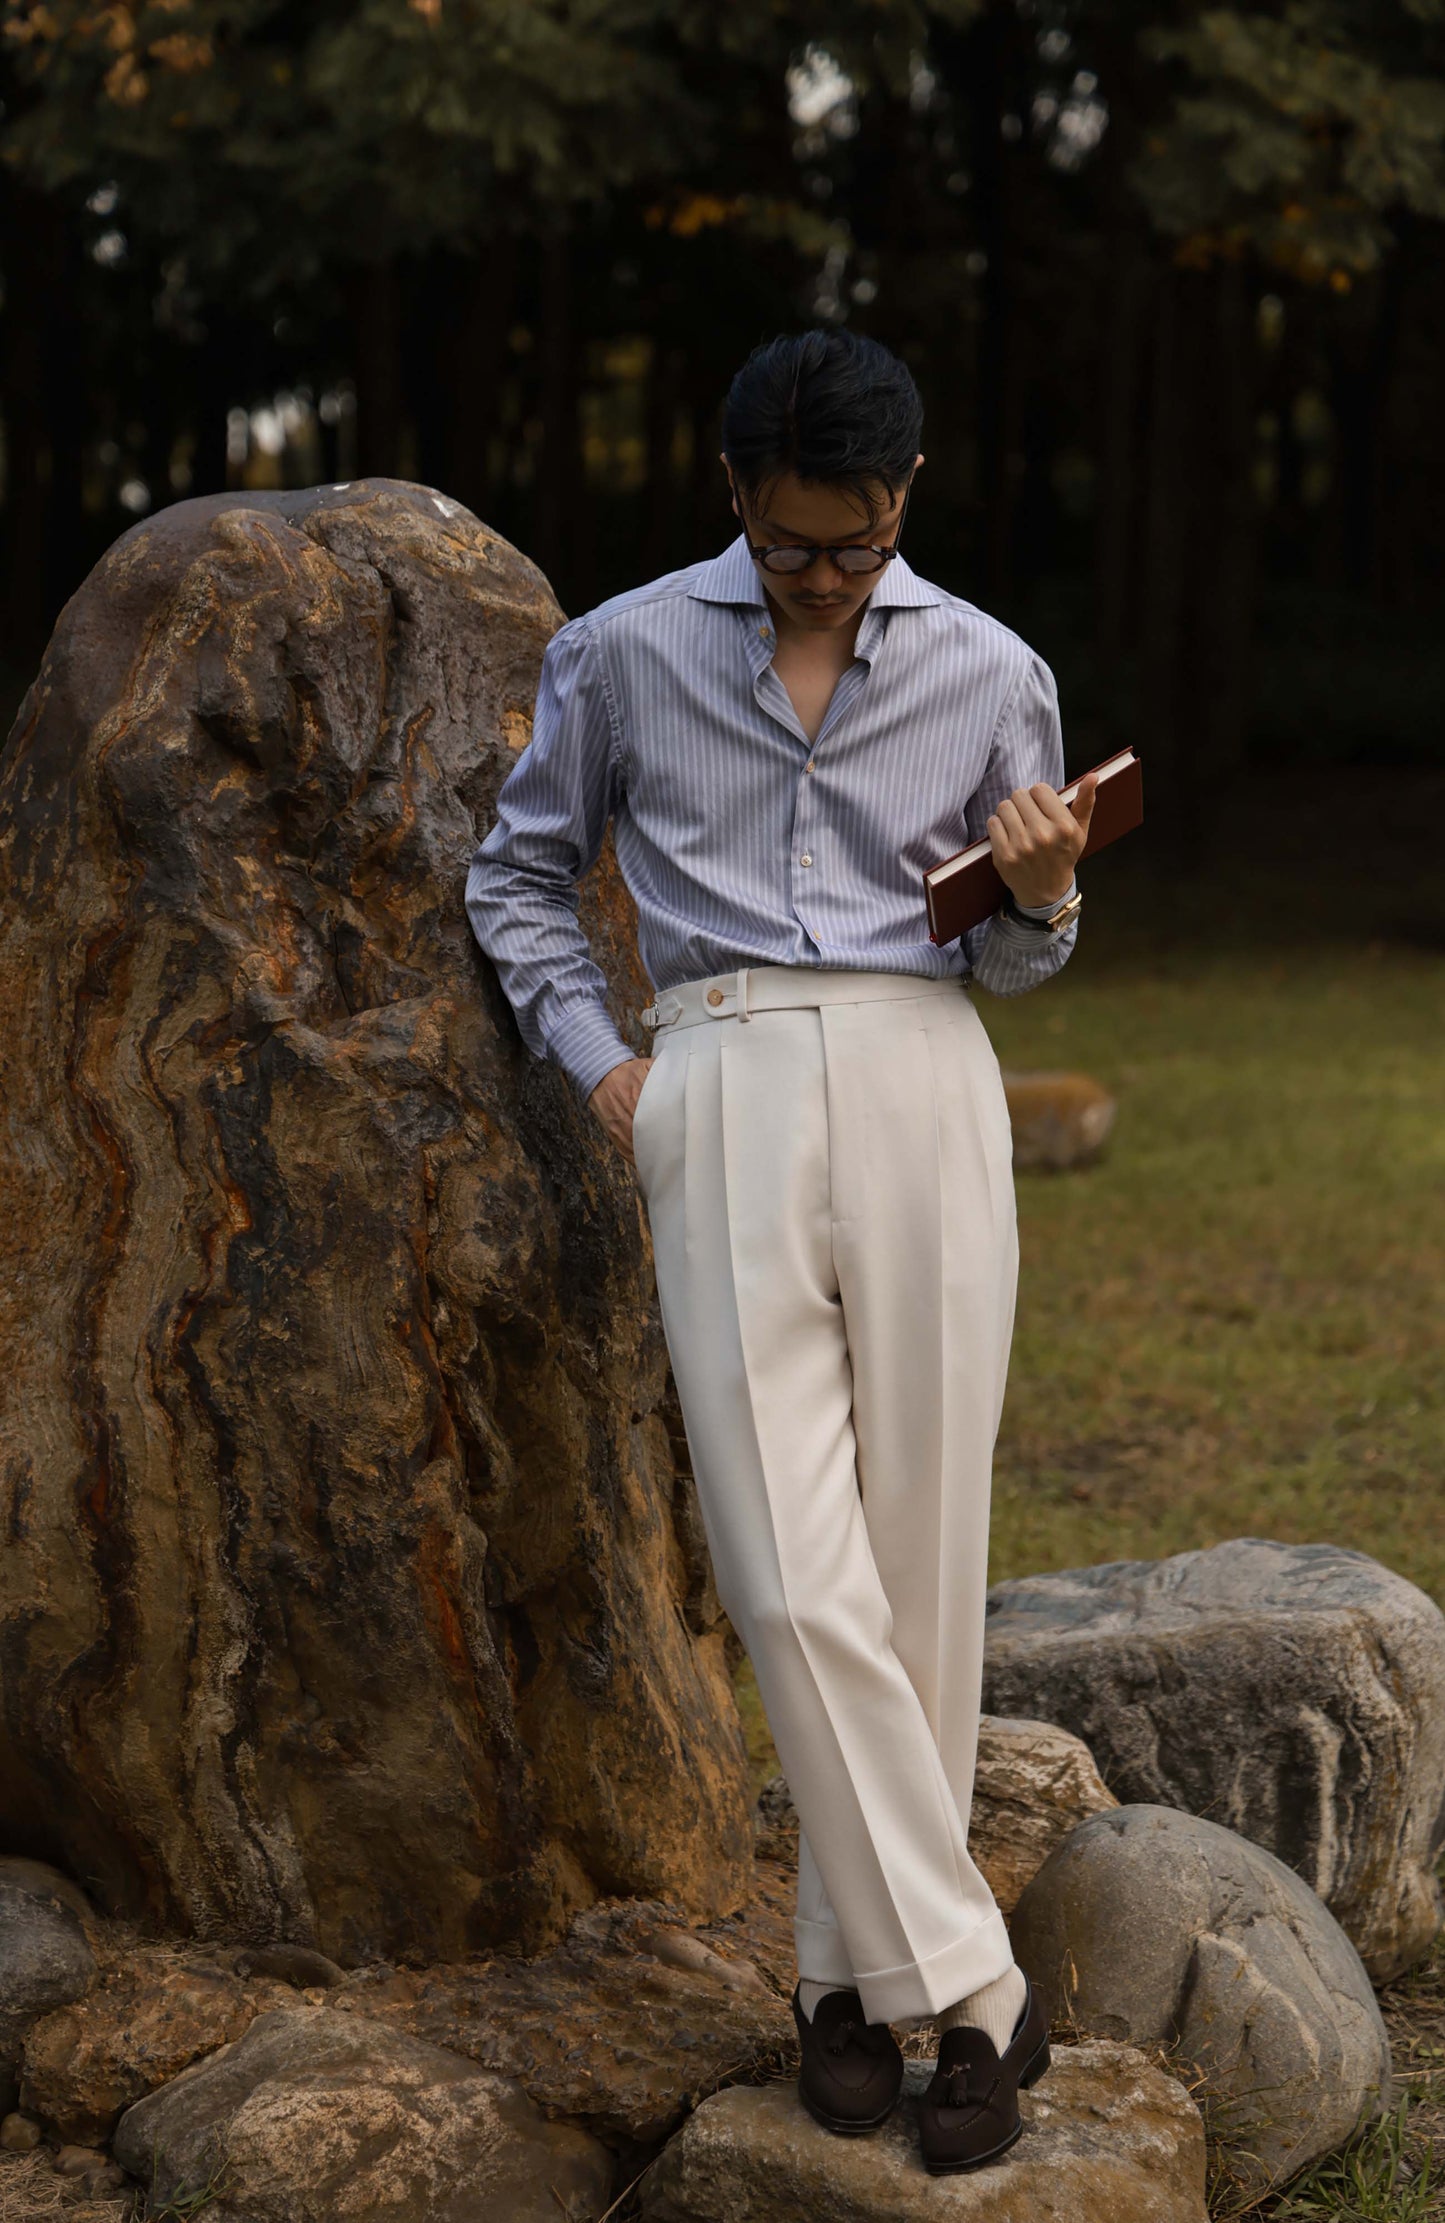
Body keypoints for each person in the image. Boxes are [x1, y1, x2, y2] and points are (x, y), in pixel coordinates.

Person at [464, 327, 1096, 2176]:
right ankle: (976, 1994)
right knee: (779, 1565)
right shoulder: (624, 651)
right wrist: (609, 1076)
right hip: (717, 1076)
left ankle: (844, 1985)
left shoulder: (991, 668)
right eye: (798, 539)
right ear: (733, 497)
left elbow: (1017, 949)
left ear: (906, 501)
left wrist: (1045, 893)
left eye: (864, 537)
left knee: (916, 1559)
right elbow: (520, 871)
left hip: (920, 1077)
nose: (831, 570)